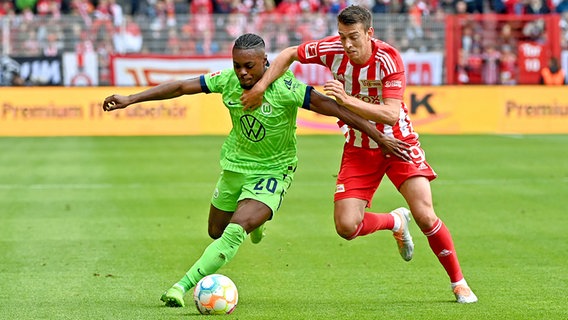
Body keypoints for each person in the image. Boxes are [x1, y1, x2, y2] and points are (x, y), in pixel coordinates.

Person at [102, 33, 411, 308]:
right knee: (215, 231)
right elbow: (182, 86)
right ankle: (257, 223)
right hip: (235, 168)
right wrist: (130, 99)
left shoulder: (287, 87)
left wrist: (380, 136)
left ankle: (180, 286)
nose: (242, 73)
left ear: (265, 61)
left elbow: (336, 109)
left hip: (273, 172)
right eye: (237, 65)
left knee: (234, 232)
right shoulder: (227, 80)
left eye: (249, 66)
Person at [241, 5, 478, 303]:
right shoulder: (332, 49)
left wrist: (345, 99)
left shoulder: (388, 59)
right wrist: (262, 85)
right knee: (346, 227)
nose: (347, 44)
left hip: (397, 143)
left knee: (425, 216)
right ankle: (394, 222)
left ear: (369, 33)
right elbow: (289, 53)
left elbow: (391, 114)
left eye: (353, 37)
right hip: (358, 147)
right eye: (342, 36)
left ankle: (459, 282)